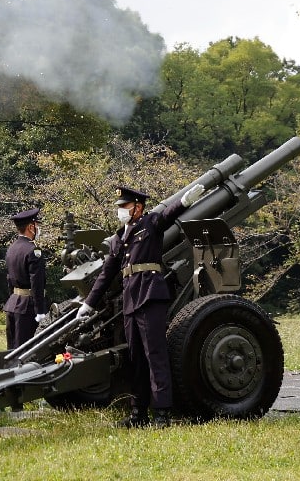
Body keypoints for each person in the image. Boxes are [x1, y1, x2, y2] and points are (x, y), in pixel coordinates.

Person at [76, 182, 205, 428]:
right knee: (135, 358)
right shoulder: (117, 238)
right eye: (119, 207)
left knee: (155, 355)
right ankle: (138, 413)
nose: (121, 210)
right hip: (130, 301)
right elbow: (105, 275)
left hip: (150, 296)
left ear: (138, 207)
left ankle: (162, 413)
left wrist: (184, 201)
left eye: (125, 206)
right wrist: (89, 304)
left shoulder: (150, 223)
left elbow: (168, 215)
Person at [3, 208, 47, 350]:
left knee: (12, 351)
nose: (38, 228)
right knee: (26, 352)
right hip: (28, 308)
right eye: (37, 225)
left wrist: (13, 299)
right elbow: (37, 284)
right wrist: (40, 311)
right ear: (30, 227)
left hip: (13, 303)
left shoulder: (12, 248)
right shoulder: (33, 251)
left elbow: (10, 279)